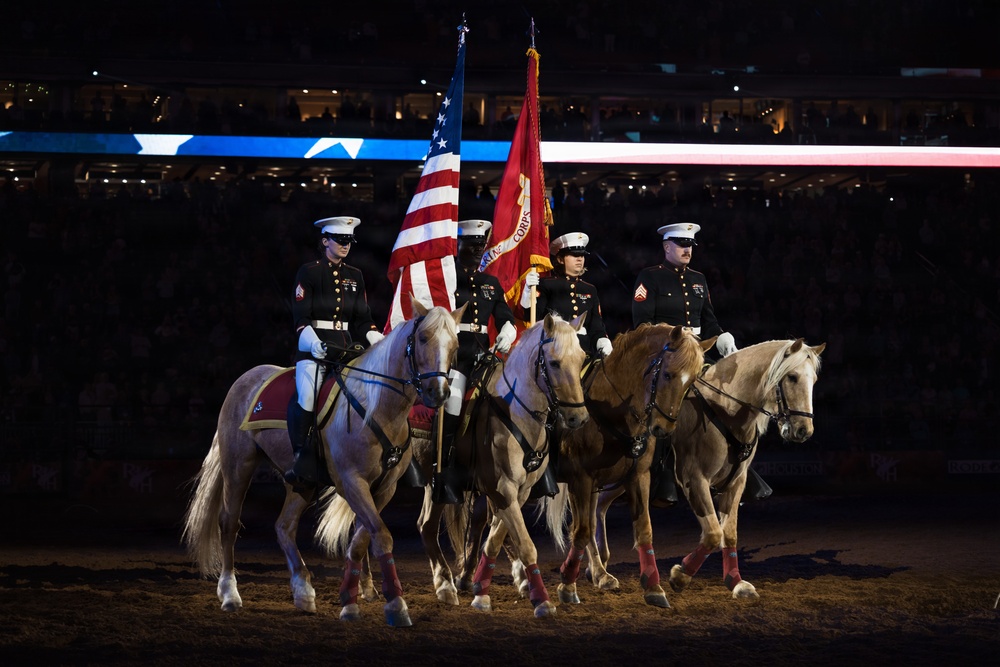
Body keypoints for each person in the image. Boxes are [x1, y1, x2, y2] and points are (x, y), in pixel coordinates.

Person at [632, 222, 771, 505]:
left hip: (699, 352)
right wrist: (673, 343)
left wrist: (721, 336)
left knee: (730, 393)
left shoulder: (698, 279)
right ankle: (664, 476)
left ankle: (738, 469)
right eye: (682, 246)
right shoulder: (650, 277)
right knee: (667, 405)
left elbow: (708, 320)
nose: (687, 250)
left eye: (691, 246)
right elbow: (642, 326)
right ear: (667, 247)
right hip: (667, 355)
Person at [284, 216, 385, 486]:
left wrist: (377, 338)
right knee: (306, 395)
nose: (345, 246)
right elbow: (301, 318)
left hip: (347, 348)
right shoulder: (309, 272)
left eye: (349, 241)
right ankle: (301, 457)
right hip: (315, 347)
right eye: (340, 240)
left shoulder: (356, 275)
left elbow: (363, 318)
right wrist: (313, 342)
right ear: (325, 241)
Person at [434, 219, 517, 503]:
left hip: (485, 356)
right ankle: (445, 474)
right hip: (456, 357)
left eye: (481, 246)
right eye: (472, 246)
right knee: (453, 412)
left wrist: (507, 331)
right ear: (457, 246)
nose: (478, 251)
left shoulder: (490, 283)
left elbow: (505, 316)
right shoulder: (446, 280)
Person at [521, 231, 613, 359]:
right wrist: (527, 291)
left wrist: (602, 340)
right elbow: (532, 316)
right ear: (560, 259)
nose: (580, 258)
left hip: (584, 352)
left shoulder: (590, 289)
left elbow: (595, 326)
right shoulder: (547, 285)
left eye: (582, 255)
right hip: (556, 352)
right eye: (574, 255)